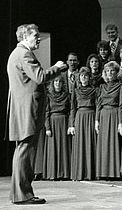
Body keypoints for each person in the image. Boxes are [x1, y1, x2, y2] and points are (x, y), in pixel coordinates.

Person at [7, 24, 66, 204]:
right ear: (25, 37)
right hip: (28, 109)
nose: (39, 38)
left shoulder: (16, 54)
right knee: (25, 150)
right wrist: (57, 67)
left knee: (22, 150)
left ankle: (20, 194)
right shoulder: (24, 54)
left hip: (22, 108)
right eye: (36, 36)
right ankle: (23, 195)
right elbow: (40, 77)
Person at [69, 67, 98, 181]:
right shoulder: (75, 91)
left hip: (91, 115)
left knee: (90, 143)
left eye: (86, 76)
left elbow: (97, 106)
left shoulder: (95, 90)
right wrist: (71, 124)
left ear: (89, 77)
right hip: (79, 117)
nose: (84, 78)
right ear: (79, 78)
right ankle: (79, 172)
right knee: (80, 144)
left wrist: (96, 120)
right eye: (81, 76)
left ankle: (91, 172)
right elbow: (72, 108)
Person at [95, 61, 122, 179]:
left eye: (112, 71)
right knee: (104, 144)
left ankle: (115, 172)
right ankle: (104, 172)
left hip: (115, 114)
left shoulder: (121, 86)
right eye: (107, 71)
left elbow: (121, 104)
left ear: (117, 73)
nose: (110, 73)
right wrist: (96, 120)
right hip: (103, 115)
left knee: (114, 143)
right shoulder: (102, 87)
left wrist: (120, 122)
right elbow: (98, 104)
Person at [43, 76, 71, 180]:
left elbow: (70, 110)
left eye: (60, 82)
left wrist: (70, 125)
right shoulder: (48, 96)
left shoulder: (67, 95)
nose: (58, 83)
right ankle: (53, 174)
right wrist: (47, 127)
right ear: (52, 83)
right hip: (53, 122)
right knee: (53, 148)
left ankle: (64, 173)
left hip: (64, 122)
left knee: (64, 147)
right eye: (55, 81)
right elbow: (46, 112)